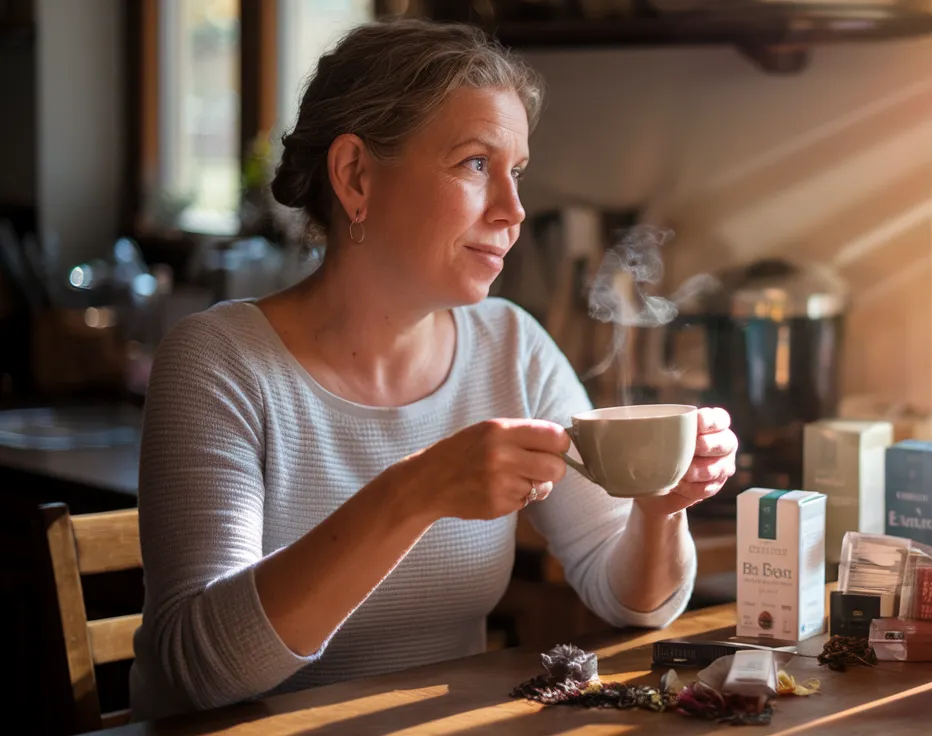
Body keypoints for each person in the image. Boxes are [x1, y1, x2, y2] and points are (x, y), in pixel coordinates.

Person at [129, 18, 737, 720]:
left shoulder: (512, 345)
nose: (513, 211)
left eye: (517, 173)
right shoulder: (220, 363)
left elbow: (630, 601)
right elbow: (197, 674)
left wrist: (659, 511)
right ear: (356, 176)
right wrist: (415, 492)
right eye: (476, 163)